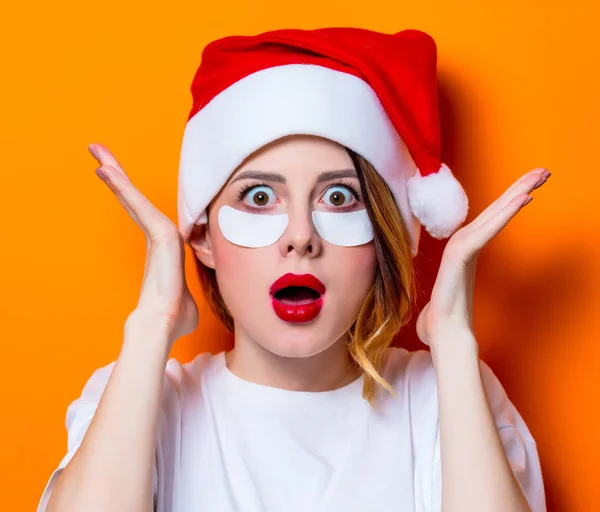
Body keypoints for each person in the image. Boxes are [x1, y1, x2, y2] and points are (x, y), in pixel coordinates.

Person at [37, 27, 549, 512]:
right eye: (259, 197)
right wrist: (152, 321)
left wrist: (454, 341)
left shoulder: (448, 396)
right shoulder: (138, 394)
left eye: (339, 196)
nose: (301, 236)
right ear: (202, 237)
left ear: (385, 235)